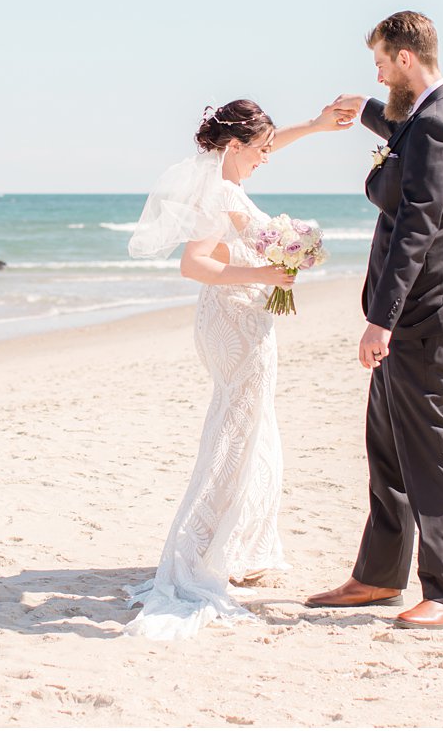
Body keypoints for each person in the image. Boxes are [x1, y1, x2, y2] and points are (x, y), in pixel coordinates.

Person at [124, 98, 350, 639]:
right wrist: (271, 272)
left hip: (236, 317)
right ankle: (202, 549)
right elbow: (194, 264)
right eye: (261, 149)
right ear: (233, 146)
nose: (267, 158)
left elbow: (263, 147)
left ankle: (238, 543)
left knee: (251, 425)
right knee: (236, 429)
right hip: (235, 321)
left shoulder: (224, 181)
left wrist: (317, 127)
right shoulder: (222, 192)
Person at [308, 10, 443, 630]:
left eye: (383, 63)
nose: (380, 72)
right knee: (386, 447)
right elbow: (397, 126)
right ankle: (378, 576)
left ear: (406, 59)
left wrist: (380, 322)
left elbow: (416, 227)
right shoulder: (432, 111)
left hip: (421, 315)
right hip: (410, 312)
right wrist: (361, 109)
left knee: (428, 451)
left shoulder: (439, 124)